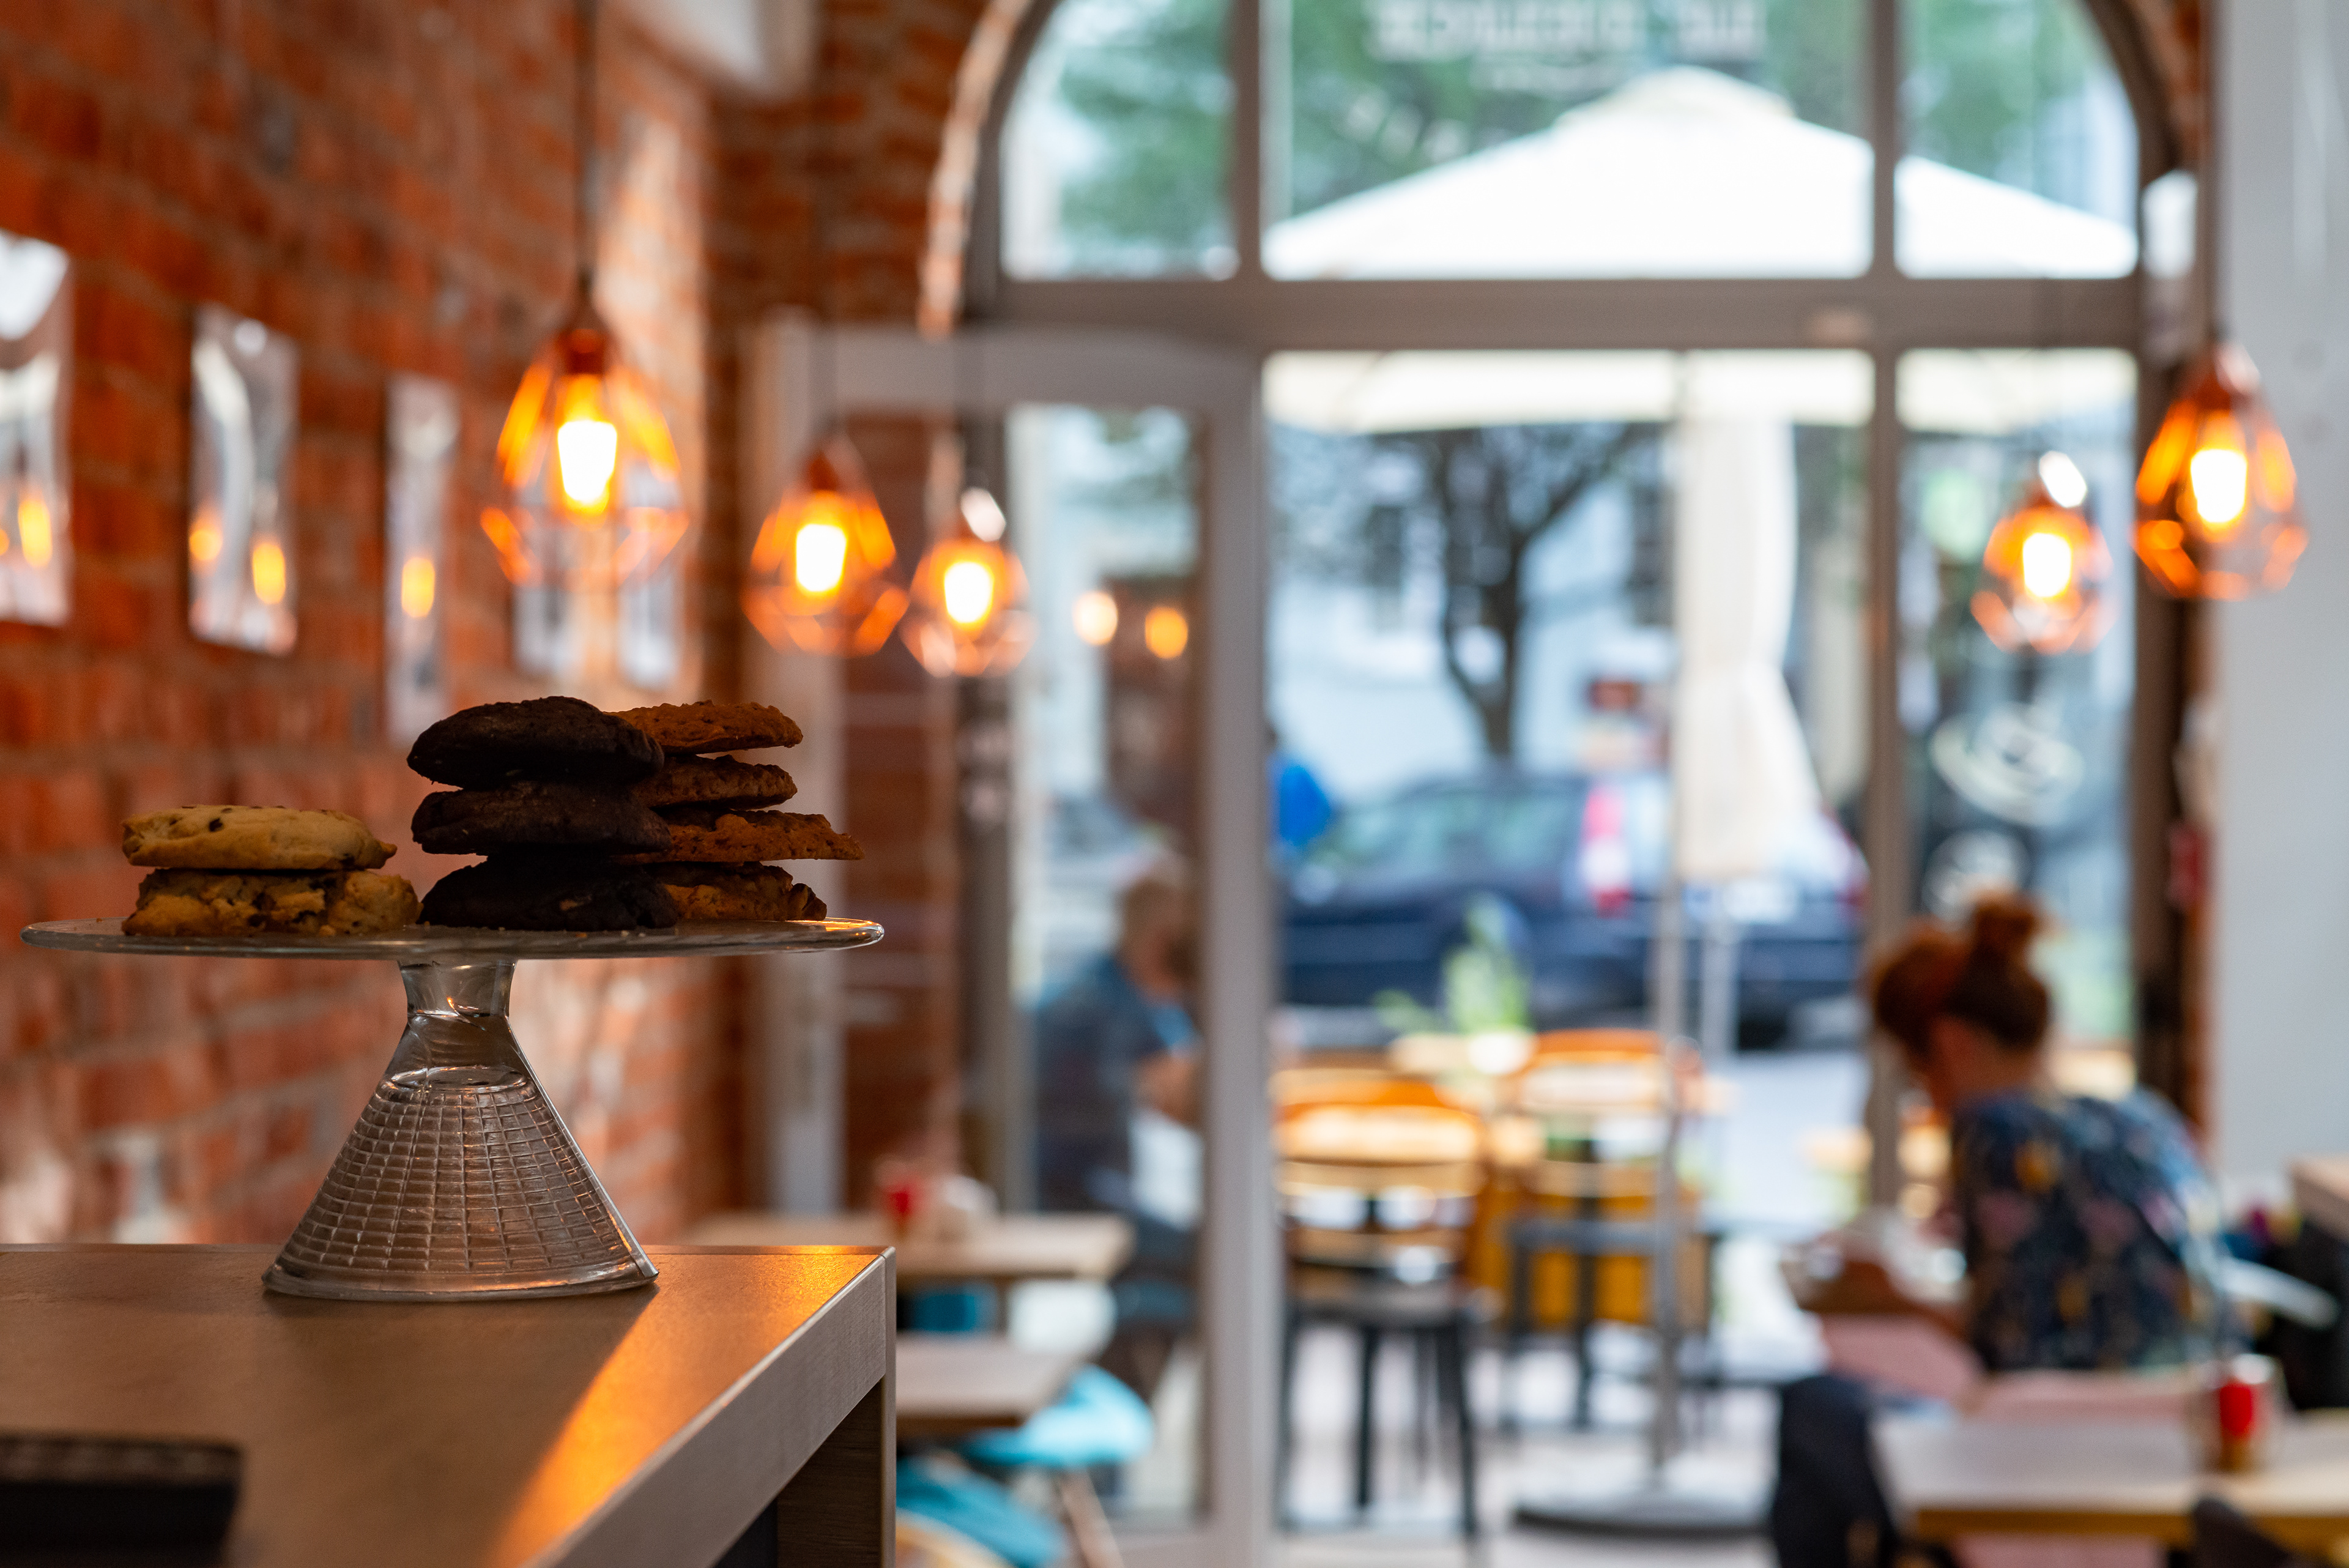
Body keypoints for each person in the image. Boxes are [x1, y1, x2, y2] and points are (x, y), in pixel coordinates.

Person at [1770, 895, 2230, 1567]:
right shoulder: (2145, 1119)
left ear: (1953, 1044)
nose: (1928, 1098)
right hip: (2185, 1452)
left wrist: (1895, 1298)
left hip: (2045, 1460)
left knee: (1811, 1404)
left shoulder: (1992, 1127)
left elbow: (2004, 1345)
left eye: (1919, 1072)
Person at [1032, 863, 1199, 1398]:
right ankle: (1118, 1401)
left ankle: (1125, 1400)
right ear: (1163, 941)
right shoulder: (1091, 1015)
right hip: (1069, 1208)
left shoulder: (1133, 997)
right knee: (1219, 1254)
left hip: (1099, 1196)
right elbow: (1180, 1097)